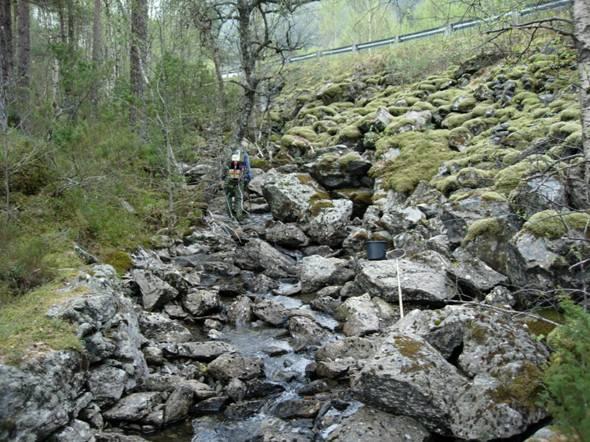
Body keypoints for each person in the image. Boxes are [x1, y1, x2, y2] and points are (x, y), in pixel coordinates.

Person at [224, 139, 253, 221]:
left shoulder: (229, 152)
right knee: (239, 197)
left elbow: (225, 165)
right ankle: (239, 216)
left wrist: (223, 177)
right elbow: (247, 168)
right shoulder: (244, 154)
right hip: (239, 178)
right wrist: (248, 178)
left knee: (228, 196)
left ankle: (230, 216)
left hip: (228, 176)